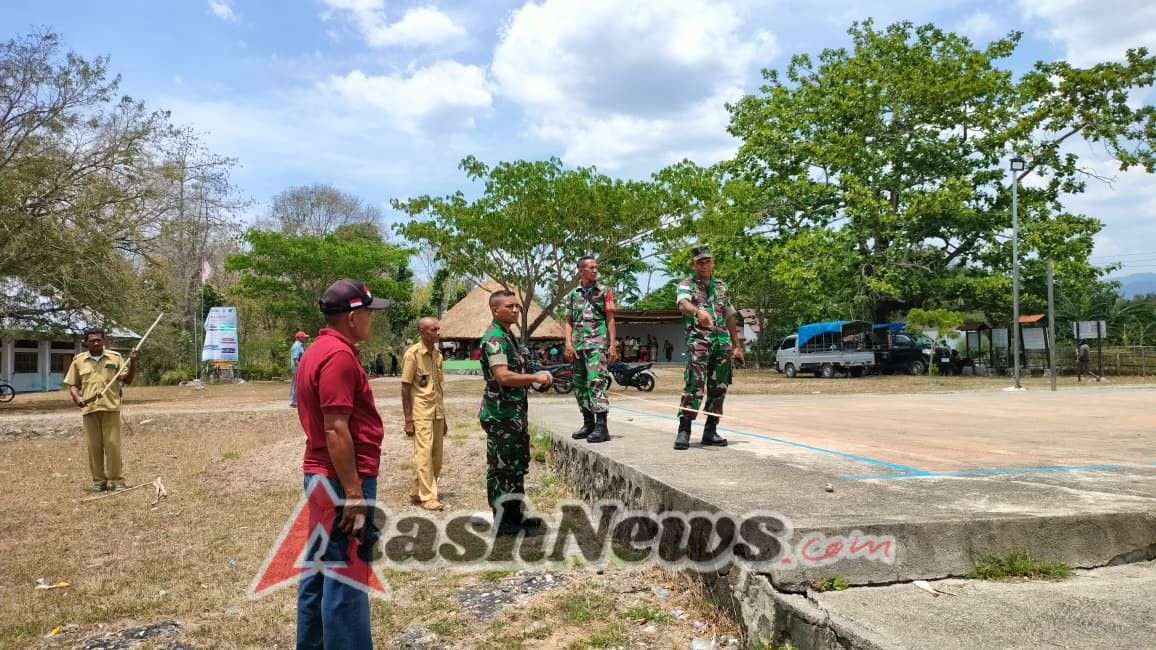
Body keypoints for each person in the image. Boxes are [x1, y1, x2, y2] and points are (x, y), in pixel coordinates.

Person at [295, 278, 390, 649]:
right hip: (341, 479)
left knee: (320, 570)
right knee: (347, 577)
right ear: (353, 317)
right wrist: (353, 492)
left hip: (322, 474)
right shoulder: (337, 357)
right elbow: (336, 429)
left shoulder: (318, 351)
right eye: (368, 312)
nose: (371, 320)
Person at [478, 290, 552, 536]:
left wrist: (536, 381)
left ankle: (514, 515)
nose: (515, 310)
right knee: (501, 468)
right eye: (509, 306)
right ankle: (502, 522)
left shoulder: (510, 338)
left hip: (515, 414)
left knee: (517, 465)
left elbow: (518, 372)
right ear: (494, 310)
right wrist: (534, 377)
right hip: (501, 416)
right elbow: (503, 376)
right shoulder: (495, 339)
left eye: (517, 307)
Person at [673, 244, 744, 450]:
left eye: (708, 261)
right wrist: (697, 312)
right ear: (693, 264)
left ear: (712, 263)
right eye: (700, 262)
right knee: (694, 384)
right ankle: (684, 430)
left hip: (722, 344)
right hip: (699, 343)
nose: (704, 265)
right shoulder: (687, 285)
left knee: (719, 386)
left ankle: (710, 430)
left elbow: (729, 315)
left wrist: (737, 345)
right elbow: (683, 304)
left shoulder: (721, 286)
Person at [63, 329, 138, 492]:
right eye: (92, 341)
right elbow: (73, 385)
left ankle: (117, 481)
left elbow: (128, 379)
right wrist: (78, 398)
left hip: (110, 407)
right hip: (89, 409)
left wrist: (132, 362)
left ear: (104, 341)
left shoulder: (115, 358)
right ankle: (99, 481)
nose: (96, 343)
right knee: (94, 447)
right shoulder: (78, 361)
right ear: (86, 342)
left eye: (98, 340)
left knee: (113, 446)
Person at [562, 255, 619, 444]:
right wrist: (568, 344)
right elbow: (568, 322)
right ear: (581, 270)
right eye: (591, 268)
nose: (595, 270)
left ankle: (602, 426)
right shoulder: (572, 295)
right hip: (578, 346)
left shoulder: (604, 292)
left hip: (597, 344)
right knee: (579, 385)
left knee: (596, 381)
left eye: (596, 267)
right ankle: (588, 423)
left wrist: (612, 345)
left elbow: (610, 319)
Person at [401, 317, 447, 511]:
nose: (437, 333)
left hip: (437, 413)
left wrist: (444, 418)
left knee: (437, 458)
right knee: (424, 455)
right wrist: (408, 419)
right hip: (421, 413)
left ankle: (416, 490)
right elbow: (405, 387)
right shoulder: (413, 355)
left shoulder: (438, 355)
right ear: (422, 332)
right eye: (433, 330)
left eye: (438, 329)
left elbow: (439, 388)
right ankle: (428, 497)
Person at [290, 331, 308, 407]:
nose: (305, 338)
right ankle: (295, 402)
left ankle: (294, 401)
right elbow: (295, 359)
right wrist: (301, 368)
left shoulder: (297, 345)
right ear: (300, 337)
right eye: (304, 337)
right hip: (297, 368)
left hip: (296, 368)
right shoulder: (297, 346)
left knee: (295, 384)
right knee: (297, 384)